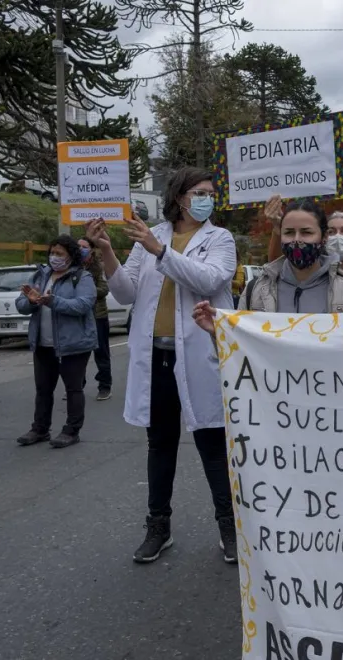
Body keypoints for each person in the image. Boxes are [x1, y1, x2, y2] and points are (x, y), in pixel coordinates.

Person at [87, 166, 238, 565]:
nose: (207, 198)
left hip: (202, 356)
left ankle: (229, 527)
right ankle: (159, 526)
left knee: (211, 443)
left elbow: (209, 281)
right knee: (160, 444)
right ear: (179, 196)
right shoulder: (152, 237)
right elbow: (124, 293)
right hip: (157, 355)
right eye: (200, 192)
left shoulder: (220, 239)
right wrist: (106, 250)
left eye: (210, 192)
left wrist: (160, 251)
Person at [15, 236, 97, 448]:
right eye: (52, 253)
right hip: (43, 343)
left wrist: (53, 301)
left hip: (73, 345)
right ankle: (39, 429)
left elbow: (83, 305)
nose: (55, 257)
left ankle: (71, 430)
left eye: (60, 254)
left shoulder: (82, 277)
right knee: (43, 389)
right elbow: (21, 304)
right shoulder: (41, 275)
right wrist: (31, 301)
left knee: (73, 389)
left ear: (71, 256)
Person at [239, 199, 343, 313]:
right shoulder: (255, 291)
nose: (297, 240)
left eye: (306, 232)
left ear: (324, 237)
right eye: (289, 232)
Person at [78, 237, 112, 400]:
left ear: (91, 249)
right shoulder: (73, 267)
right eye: (78, 246)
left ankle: (105, 386)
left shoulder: (99, 267)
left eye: (84, 247)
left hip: (97, 315)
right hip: (78, 316)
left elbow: (104, 289)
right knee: (78, 352)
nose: (80, 249)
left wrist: (87, 292)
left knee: (101, 352)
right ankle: (77, 384)